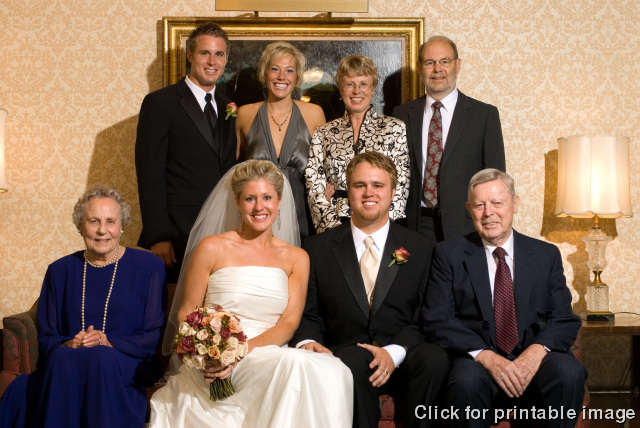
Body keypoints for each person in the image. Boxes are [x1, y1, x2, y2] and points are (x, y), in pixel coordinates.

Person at [149, 160, 353, 428]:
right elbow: (187, 311)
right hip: (215, 358)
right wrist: (211, 354)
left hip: (267, 353)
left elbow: (289, 323)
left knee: (335, 370)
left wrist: (238, 352)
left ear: (279, 201)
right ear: (237, 201)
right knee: (295, 365)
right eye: (250, 198)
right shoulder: (211, 247)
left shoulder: (297, 258)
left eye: (267, 197)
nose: (259, 207)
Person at [293, 152, 449, 428]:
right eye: (360, 185)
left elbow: (426, 315)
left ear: (392, 192)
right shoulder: (317, 248)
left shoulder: (421, 248)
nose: (369, 193)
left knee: (434, 358)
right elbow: (308, 314)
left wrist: (394, 351)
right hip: (348, 356)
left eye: (378, 185)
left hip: (404, 354)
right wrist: (308, 342)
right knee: (351, 361)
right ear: (348, 191)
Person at [422, 169, 587, 428]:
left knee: (568, 371)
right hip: (478, 363)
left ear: (515, 204)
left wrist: (536, 352)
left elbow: (563, 319)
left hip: (534, 363)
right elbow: (437, 319)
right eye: (479, 205)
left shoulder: (545, 255)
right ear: (469, 209)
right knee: (465, 380)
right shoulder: (448, 254)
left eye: (497, 203)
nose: (489, 213)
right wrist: (487, 357)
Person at [0, 186, 166, 428]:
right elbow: (47, 336)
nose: (102, 230)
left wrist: (109, 343)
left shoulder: (149, 266)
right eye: (93, 221)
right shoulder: (59, 270)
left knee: (100, 356)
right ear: (80, 226)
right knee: (63, 357)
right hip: (69, 361)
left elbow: (153, 334)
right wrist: (70, 343)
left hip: (127, 362)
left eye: (110, 221)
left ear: (122, 226)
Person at [135, 21, 237, 282]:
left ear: (226, 60)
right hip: (178, 232)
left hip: (223, 229)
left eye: (219, 54)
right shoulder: (160, 103)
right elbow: (150, 173)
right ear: (190, 55)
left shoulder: (229, 105)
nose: (212, 61)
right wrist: (159, 235)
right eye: (205, 53)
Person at [393, 35, 505, 242]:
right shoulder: (402, 114)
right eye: (430, 63)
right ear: (419, 67)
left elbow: (495, 178)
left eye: (445, 61)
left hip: (466, 225)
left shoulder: (484, 115)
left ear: (457, 65)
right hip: (414, 224)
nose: (438, 69)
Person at [306, 54, 410, 234]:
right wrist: (332, 228)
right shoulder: (323, 132)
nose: (356, 91)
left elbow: (401, 184)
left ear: (373, 88)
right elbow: (314, 184)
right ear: (341, 89)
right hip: (335, 225)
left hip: (380, 224)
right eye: (350, 84)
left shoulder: (395, 128)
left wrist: (381, 228)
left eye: (363, 84)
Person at [236, 41, 326, 240]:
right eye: (275, 69)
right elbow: (234, 172)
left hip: (304, 219)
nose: (281, 77)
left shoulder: (315, 114)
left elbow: (326, 171)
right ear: (264, 72)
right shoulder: (245, 115)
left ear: (297, 76)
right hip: (257, 217)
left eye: (289, 70)